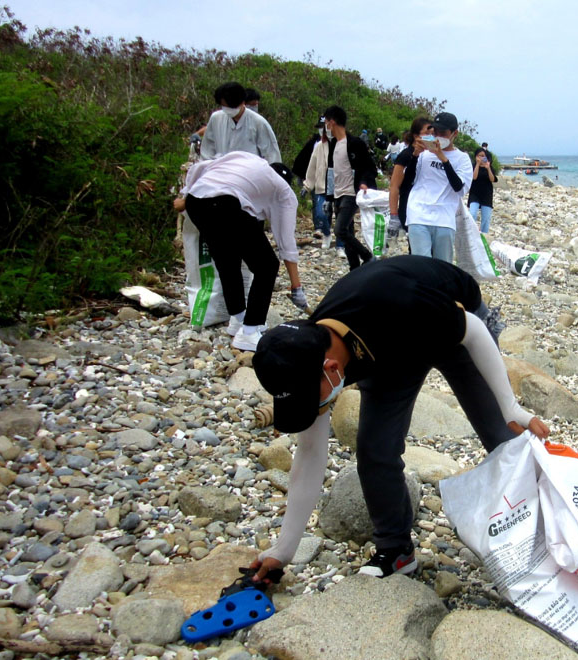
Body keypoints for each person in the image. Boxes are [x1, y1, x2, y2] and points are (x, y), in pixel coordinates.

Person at [249, 255, 549, 580]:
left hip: (452, 323)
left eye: (311, 398)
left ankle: (548, 532)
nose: (313, 406)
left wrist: (509, 406)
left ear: (331, 369)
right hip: (388, 353)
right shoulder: (308, 356)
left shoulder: (394, 300)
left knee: (502, 436)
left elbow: (473, 330)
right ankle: (396, 551)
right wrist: (283, 550)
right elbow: (309, 454)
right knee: (375, 449)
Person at [173, 152, 307, 351]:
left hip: (197, 201)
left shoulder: (247, 160)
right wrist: (296, 287)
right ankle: (250, 331)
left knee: (228, 260)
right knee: (267, 266)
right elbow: (286, 243)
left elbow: (202, 167)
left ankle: (238, 320)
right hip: (224, 203)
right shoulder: (283, 190)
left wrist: (186, 195)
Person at [404, 112, 472, 262]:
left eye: (443, 132)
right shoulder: (424, 154)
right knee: (421, 265)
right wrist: (415, 155)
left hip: (444, 218)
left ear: (455, 133)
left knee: (442, 266)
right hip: (418, 214)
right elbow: (408, 181)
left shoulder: (462, 159)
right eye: (435, 131)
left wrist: (443, 158)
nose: (438, 135)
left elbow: (459, 188)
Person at [324, 105, 377, 270]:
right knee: (348, 232)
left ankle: (367, 256)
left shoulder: (355, 143)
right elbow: (331, 172)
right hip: (338, 193)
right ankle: (354, 268)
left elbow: (370, 167)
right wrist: (329, 197)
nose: (325, 127)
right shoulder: (333, 144)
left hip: (351, 193)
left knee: (340, 230)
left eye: (326, 122)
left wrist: (364, 182)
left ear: (332, 122)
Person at [200, 82, 281, 163]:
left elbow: (271, 155)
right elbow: (207, 151)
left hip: (249, 172)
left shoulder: (258, 122)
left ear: (242, 102)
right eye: (224, 106)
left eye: (230, 107)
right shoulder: (216, 119)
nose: (227, 110)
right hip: (222, 171)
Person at [388, 117, 432, 231]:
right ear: (416, 136)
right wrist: (394, 215)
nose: (431, 136)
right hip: (408, 207)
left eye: (432, 133)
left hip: (427, 209)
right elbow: (394, 186)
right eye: (427, 133)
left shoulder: (432, 156)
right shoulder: (406, 155)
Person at [303, 119, 333, 249]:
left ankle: (341, 246)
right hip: (322, 187)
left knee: (342, 220)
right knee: (320, 213)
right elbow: (312, 167)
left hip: (338, 188)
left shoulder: (342, 145)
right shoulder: (319, 146)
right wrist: (307, 185)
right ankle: (327, 234)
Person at [467, 147, 498, 234]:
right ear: (476, 156)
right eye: (479, 156)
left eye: (483, 156)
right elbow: (474, 177)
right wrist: (477, 164)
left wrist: (488, 168)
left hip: (486, 194)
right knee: (472, 214)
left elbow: (493, 179)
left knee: (485, 219)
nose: (481, 158)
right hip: (475, 193)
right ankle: (472, 233)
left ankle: (484, 236)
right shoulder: (473, 166)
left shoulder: (489, 167)